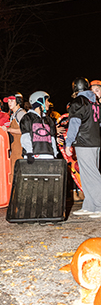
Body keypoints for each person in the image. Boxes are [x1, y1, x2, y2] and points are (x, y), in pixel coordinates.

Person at [64, 78, 101, 218]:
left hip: (85, 142)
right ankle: (90, 205)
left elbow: (74, 123)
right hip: (94, 141)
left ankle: (100, 205)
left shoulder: (79, 102)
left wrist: (69, 142)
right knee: (86, 175)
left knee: (92, 175)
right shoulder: (95, 102)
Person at [20, 91, 57, 162]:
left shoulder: (48, 120)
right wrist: (29, 152)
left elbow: (52, 139)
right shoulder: (28, 118)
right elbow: (25, 136)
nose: (48, 103)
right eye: (46, 101)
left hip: (48, 155)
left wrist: (54, 154)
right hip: (34, 155)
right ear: (39, 101)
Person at [4, 93, 26, 183]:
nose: (9, 103)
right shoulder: (13, 114)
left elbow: (25, 130)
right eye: (8, 101)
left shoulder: (21, 114)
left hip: (20, 148)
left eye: (12, 100)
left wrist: (8, 129)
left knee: (17, 173)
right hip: (14, 148)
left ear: (18, 101)